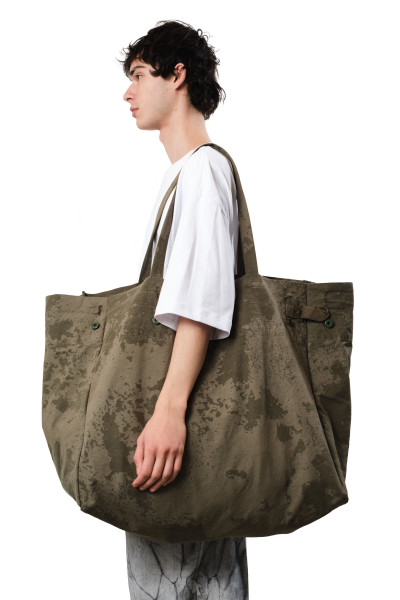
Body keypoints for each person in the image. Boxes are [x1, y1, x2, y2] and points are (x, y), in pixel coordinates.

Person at [119, 19, 249, 599]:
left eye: (138, 75)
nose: (127, 92)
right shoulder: (188, 175)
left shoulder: (202, 170)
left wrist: (170, 412)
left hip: (183, 429)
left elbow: (200, 301)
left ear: (177, 76)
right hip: (189, 428)